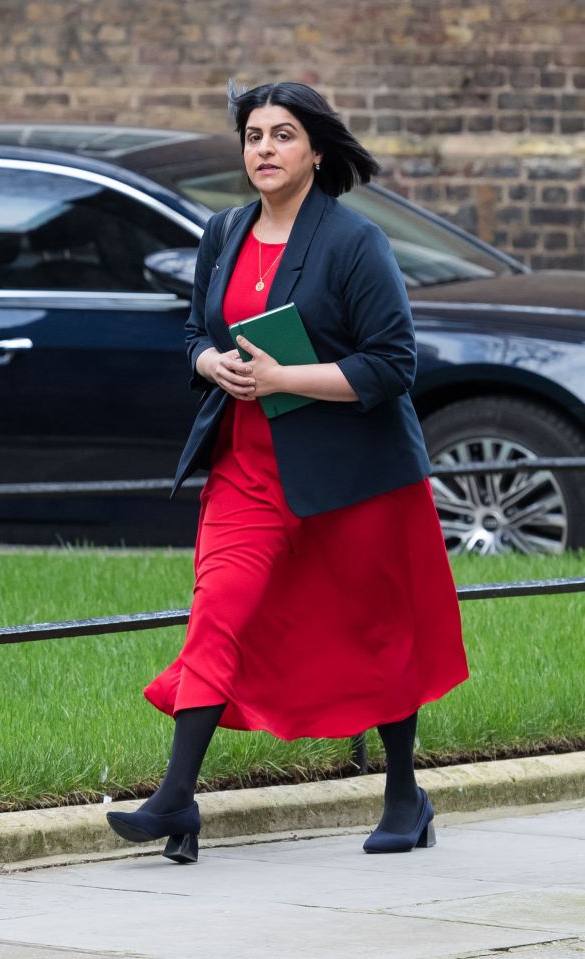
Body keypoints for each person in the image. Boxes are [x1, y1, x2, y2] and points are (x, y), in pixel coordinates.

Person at [107, 81, 469, 863]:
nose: (262, 149)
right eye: (252, 135)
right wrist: (210, 359)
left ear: (315, 151)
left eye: (281, 135)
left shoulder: (353, 242)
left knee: (377, 631)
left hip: (356, 473)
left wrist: (284, 379)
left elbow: (392, 364)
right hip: (247, 466)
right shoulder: (224, 231)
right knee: (217, 612)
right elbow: (194, 335)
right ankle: (176, 797)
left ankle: (405, 792)